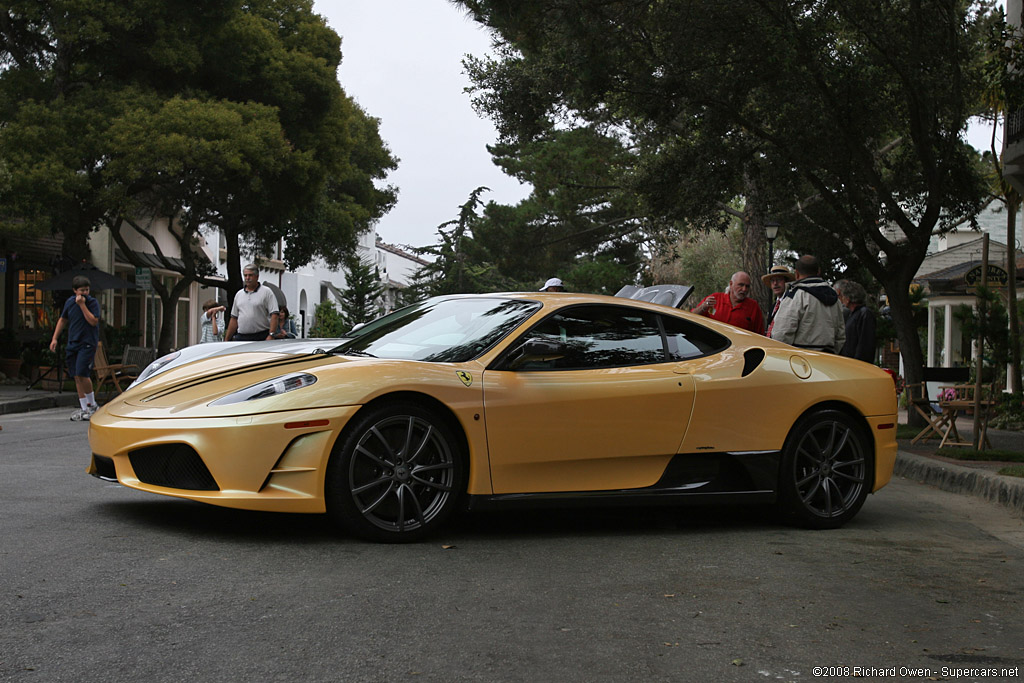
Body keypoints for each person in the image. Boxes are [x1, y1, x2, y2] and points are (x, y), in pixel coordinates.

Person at [49, 275, 101, 421]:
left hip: (87, 342)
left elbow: (93, 321)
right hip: (73, 342)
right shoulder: (69, 303)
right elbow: (63, 319)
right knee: (76, 375)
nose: (85, 293)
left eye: (87, 290)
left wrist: (82, 305)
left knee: (83, 373)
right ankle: (83, 407)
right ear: (74, 291)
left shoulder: (92, 303)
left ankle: (92, 405)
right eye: (81, 290)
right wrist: (55, 338)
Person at [770, 255, 846, 353]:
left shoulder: (796, 296)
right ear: (818, 271)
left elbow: (781, 333)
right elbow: (841, 335)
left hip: (801, 359)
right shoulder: (835, 298)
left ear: (796, 274)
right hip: (828, 359)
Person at [692, 271, 765, 334]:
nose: (744, 289)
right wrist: (703, 307)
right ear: (731, 284)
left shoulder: (753, 306)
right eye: (741, 285)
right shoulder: (715, 298)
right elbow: (692, 317)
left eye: (747, 286)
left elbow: (759, 334)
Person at [224, 264, 280, 341]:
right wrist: (227, 339)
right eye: (245, 275)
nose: (247, 278)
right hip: (241, 337)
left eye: (250, 275)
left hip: (261, 336)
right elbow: (234, 318)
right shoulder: (239, 294)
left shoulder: (267, 292)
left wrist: (271, 334)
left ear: (257, 277)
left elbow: (274, 314)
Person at [835, 279, 877, 362]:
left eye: (842, 296)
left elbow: (865, 345)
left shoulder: (864, 314)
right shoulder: (854, 314)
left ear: (848, 298)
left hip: (857, 364)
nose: (841, 299)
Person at [761, 265, 795, 337]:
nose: (775, 283)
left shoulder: (792, 304)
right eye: (772, 280)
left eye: (779, 280)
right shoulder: (773, 306)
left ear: (787, 282)